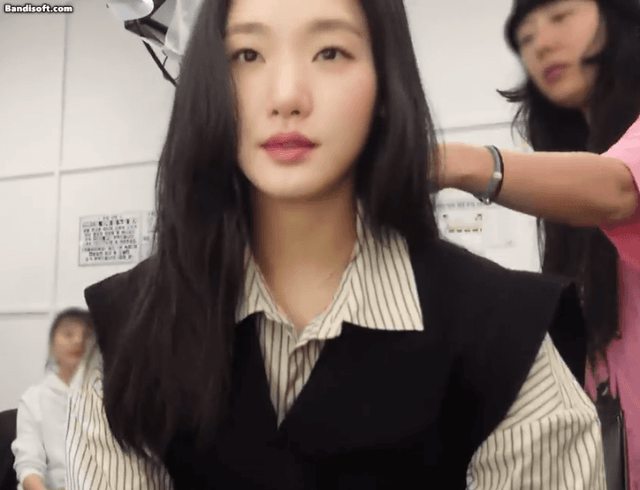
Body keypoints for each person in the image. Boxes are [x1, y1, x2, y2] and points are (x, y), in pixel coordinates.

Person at [66, 0, 605, 488]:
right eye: (248, 54)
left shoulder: (506, 338)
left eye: (330, 52)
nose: (286, 96)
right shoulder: (125, 333)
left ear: (385, 85)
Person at [438, 0, 640, 487]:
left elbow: (620, 189)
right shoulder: (573, 177)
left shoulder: (606, 180)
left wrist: (453, 162)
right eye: (525, 38)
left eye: (561, 17)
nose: (542, 45)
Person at [11, 308, 93, 490]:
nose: (78, 341)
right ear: (52, 345)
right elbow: (29, 465)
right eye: (68, 334)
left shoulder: (107, 397)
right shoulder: (34, 398)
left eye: (87, 335)